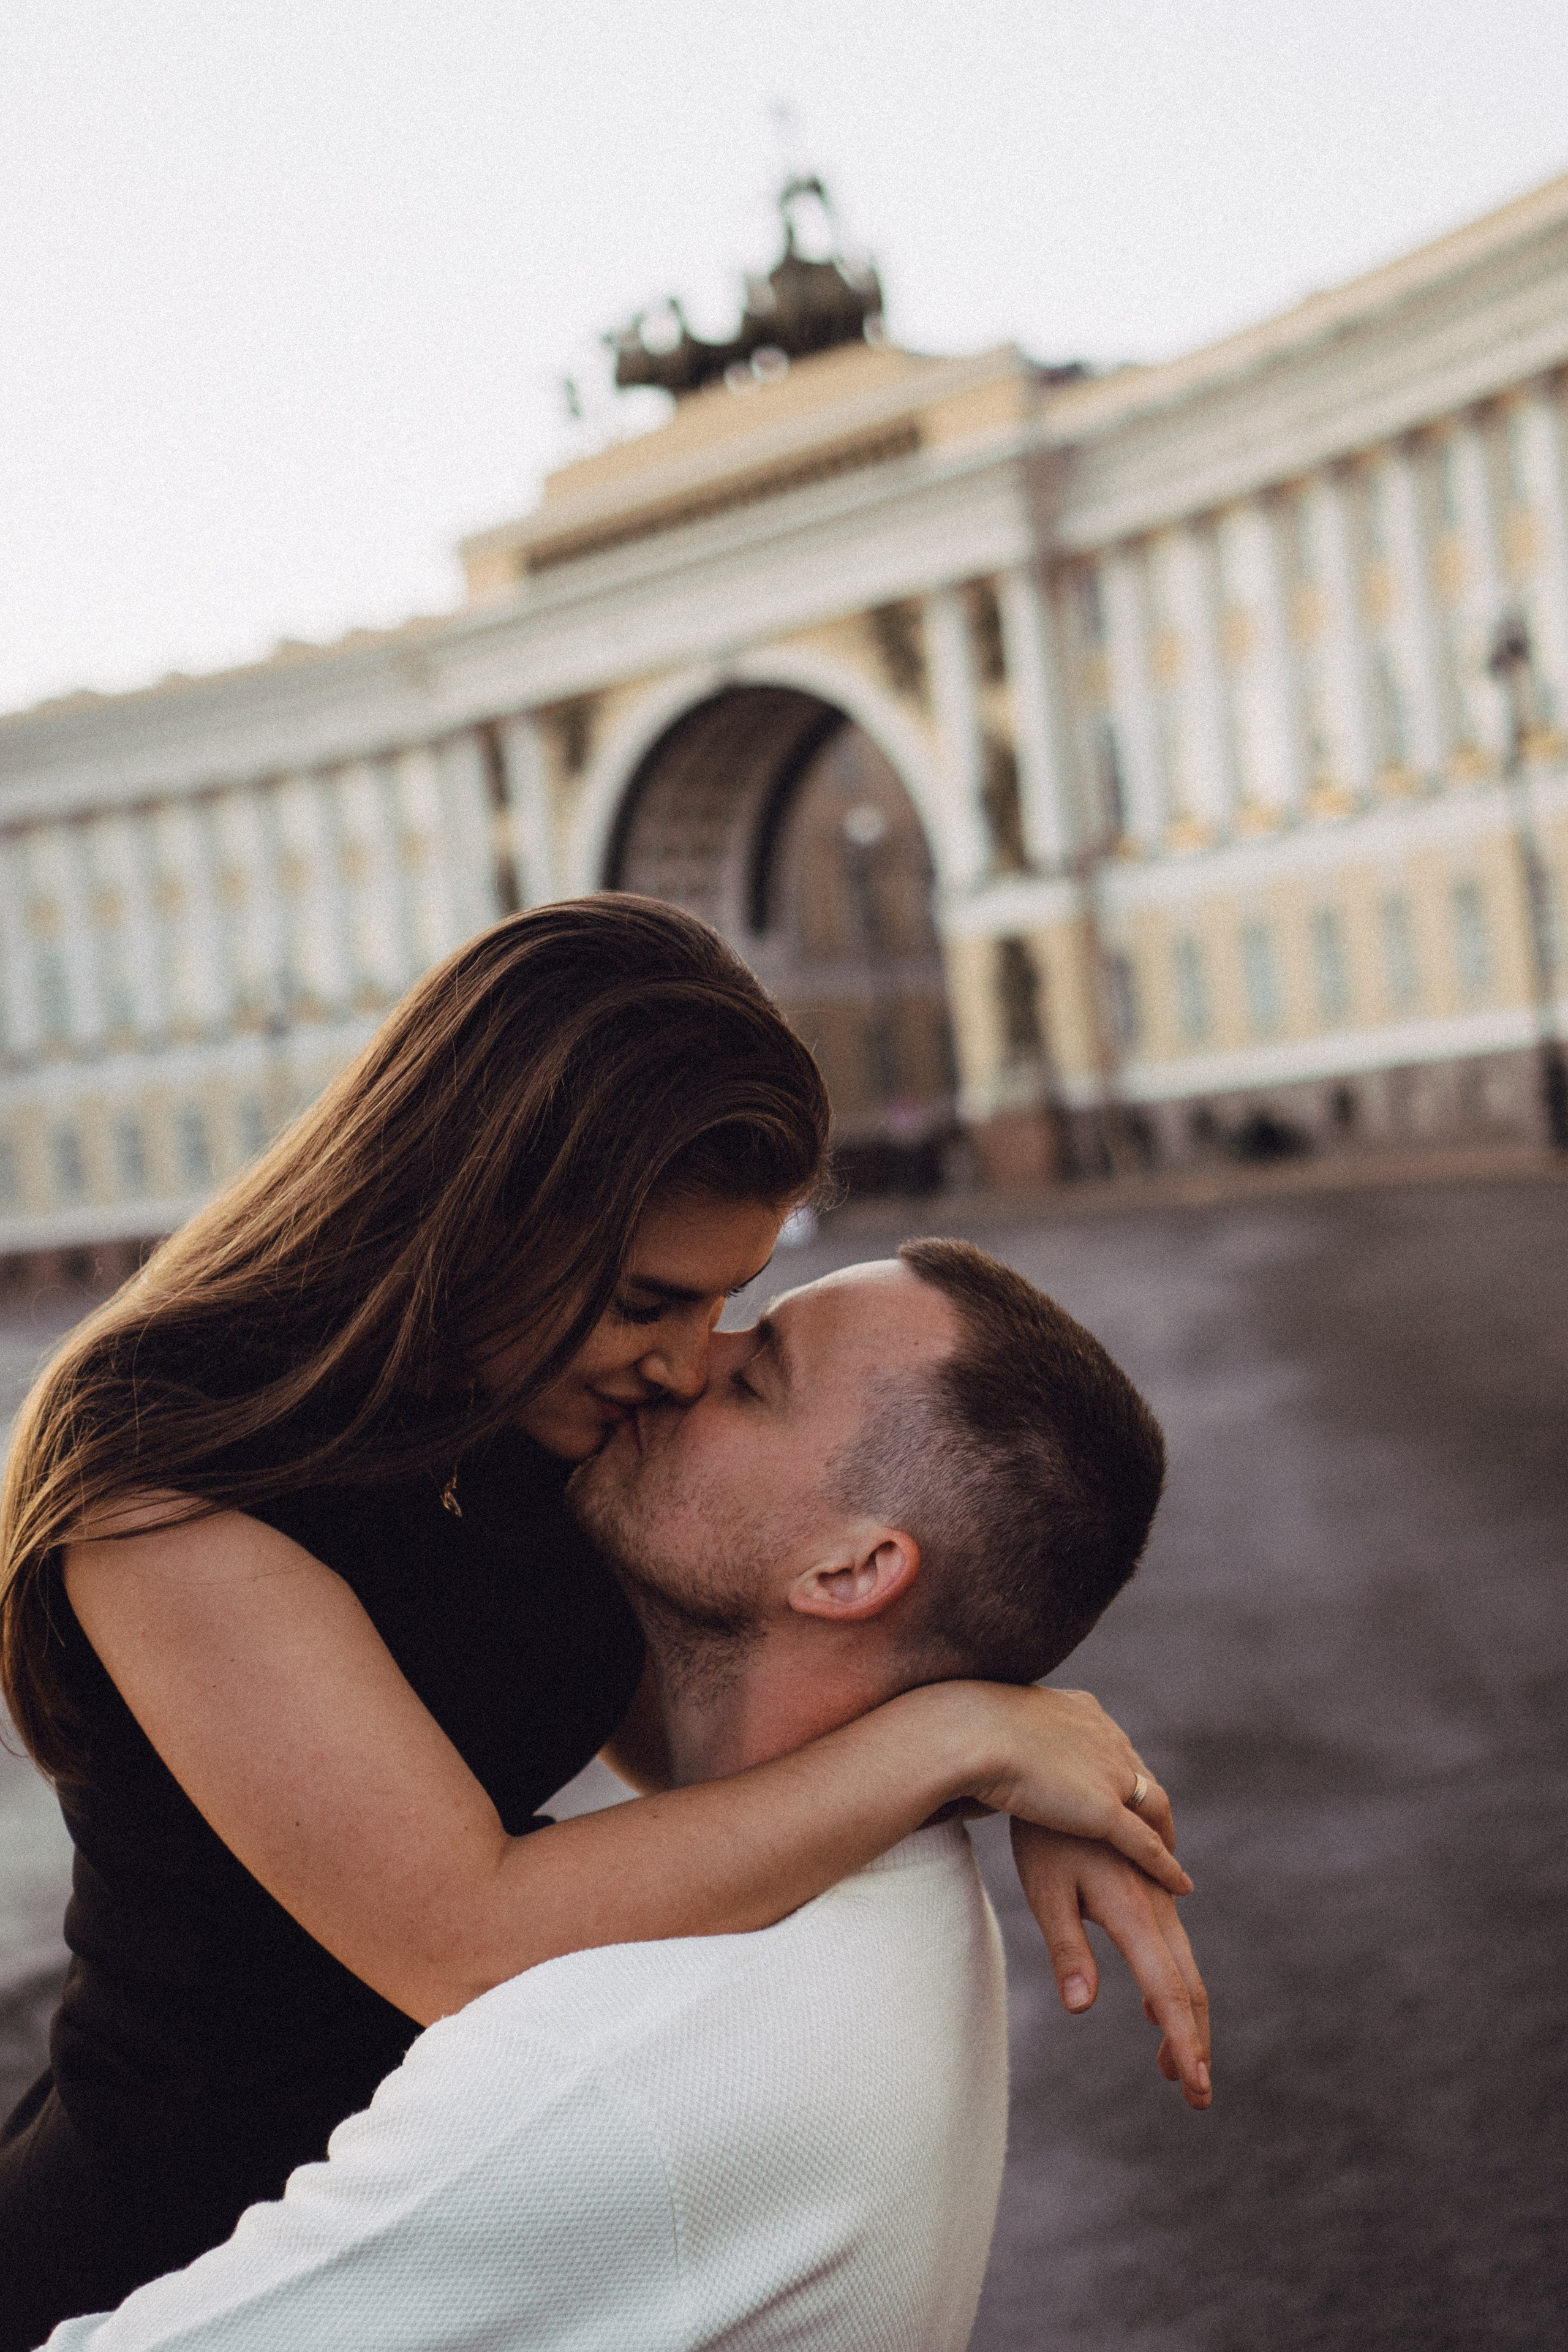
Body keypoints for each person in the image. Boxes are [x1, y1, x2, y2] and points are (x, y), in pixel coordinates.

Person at [0, 897, 1194, 2351]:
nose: (689, 1364)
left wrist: (1034, 1759)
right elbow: (465, 1934)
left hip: (476, 2171)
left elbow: (730, 1712)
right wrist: (959, 1738)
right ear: (479, 1212)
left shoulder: (532, 1402)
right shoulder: (174, 1479)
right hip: (182, 2243)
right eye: (648, 1301)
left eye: (726, 1305)